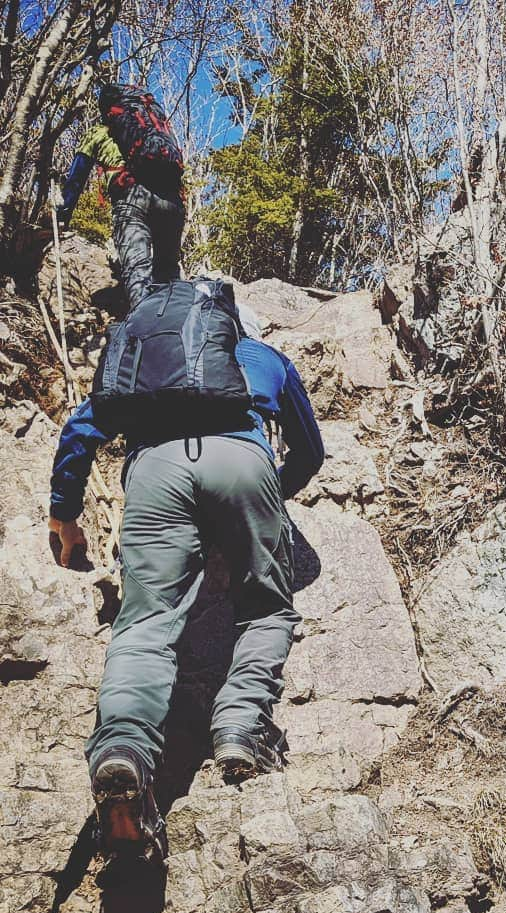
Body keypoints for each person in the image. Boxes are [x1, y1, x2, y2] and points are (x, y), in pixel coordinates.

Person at [49, 283, 324, 861]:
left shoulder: (144, 360)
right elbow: (309, 452)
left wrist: (64, 514)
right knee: (267, 607)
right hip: (242, 464)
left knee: (145, 623)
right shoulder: (263, 358)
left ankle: (123, 748)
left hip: (155, 474)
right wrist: (273, 500)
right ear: (234, 328)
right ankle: (240, 724)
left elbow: (81, 429)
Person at [56, 82, 185, 307]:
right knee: (168, 273)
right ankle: (176, 330)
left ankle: (142, 331)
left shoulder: (98, 133)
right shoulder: (155, 127)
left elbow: (77, 177)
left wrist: (62, 217)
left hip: (132, 199)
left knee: (138, 274)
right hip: (172, 199)